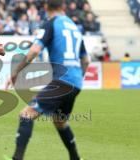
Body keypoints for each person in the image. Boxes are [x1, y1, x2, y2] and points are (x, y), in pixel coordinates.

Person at [5, 0, 90, 160]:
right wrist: (77, 79)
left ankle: (17, 158)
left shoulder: (50, 24)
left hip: (62, 81)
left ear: (45, 8)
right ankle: (76, 158)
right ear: (63, 7)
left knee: (26, 115)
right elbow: (86, 61)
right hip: (76, 82)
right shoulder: (74, 27)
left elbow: (34, 51)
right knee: (60, 121)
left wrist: (15, 72)